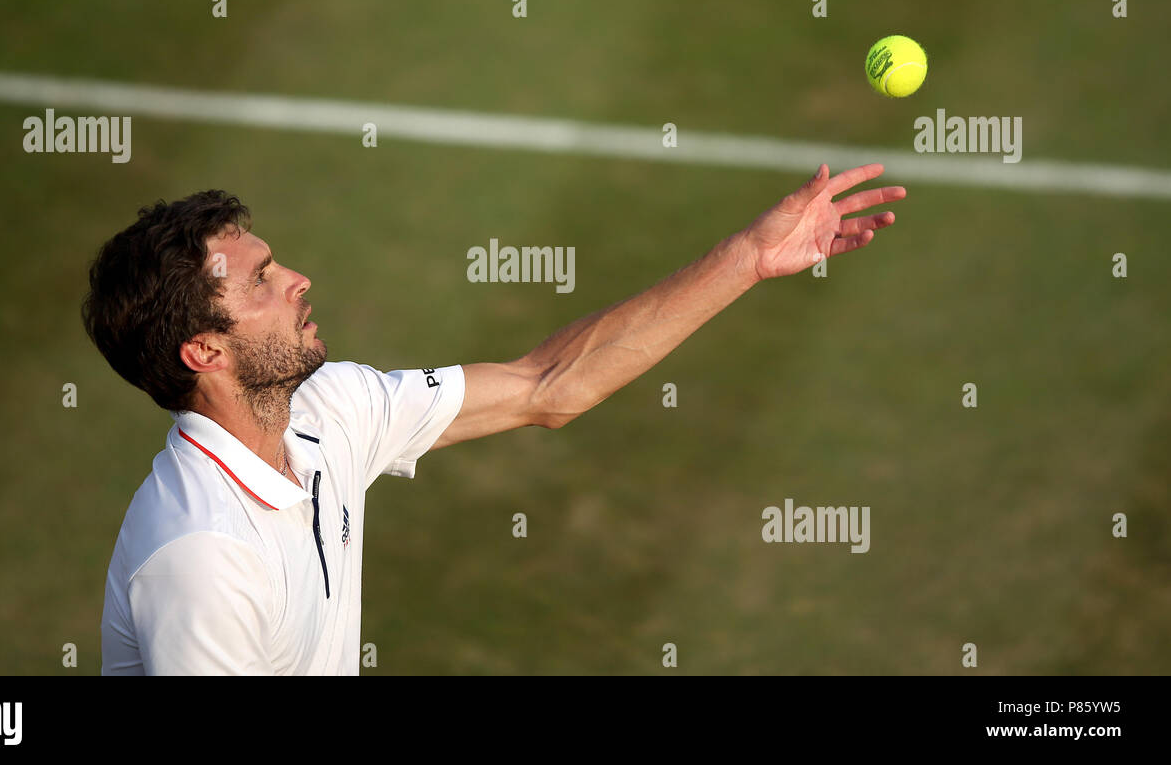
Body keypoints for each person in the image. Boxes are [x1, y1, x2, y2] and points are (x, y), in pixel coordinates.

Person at [83, 163, 905, 674]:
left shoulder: (325, 411)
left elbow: (547, 384)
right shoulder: (200, 560)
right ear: (204, 351)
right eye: (260, 280)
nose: (298, 277)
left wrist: (750, 259)